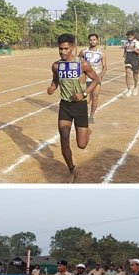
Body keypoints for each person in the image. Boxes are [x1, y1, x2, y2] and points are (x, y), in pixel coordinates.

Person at [46, 34, 100, 182]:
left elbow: (96, 79)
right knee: (64, 138)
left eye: (66, 49)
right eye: (60, 49)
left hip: (80, 106)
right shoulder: (56, 66)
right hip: (65, 106)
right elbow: (55, 80)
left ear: (73, 48)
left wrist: (83, 93)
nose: (63, 52)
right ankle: (71, 169)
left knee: (81, 145)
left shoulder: (82, 64)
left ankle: (87, 131)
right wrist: (52, 88)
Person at [78, 33, 107, 123]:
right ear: (88, 41)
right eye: (90, 40)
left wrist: (100, 76)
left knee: (95, 97)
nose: (92, 41)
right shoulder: (83, 51)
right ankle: (83, 114)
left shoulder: (101, 53)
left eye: (94, 40)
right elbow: (77, 62)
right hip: (85, 78)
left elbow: (105, 66)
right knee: (85, 99)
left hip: (96, 79)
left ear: (97, 41)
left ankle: (91, 116)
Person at [123, 31, 139, 96]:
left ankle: (135, 87)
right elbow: (125, 50)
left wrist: (134, 49)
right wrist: (124, 54)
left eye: (131, 35)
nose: (129, 36)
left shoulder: (137, 43)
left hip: (135, 60)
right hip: (128, 59)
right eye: (128, 35)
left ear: (133, 36)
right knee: (128, 73)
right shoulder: (126, 43)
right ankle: (129, 90)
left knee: (135, 75)